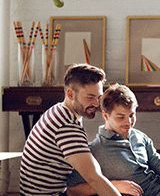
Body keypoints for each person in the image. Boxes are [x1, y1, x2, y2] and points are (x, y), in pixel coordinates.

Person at [19, 64, 122, 196]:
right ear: (70, 94)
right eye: (90, 97)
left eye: (98, 97)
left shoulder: (58, 110)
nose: (96, 104)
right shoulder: (67, 126)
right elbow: (94, 178)